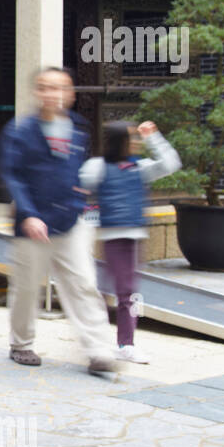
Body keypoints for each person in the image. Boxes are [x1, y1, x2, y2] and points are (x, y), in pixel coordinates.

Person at [0, 66, 118, 376]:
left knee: (84, 284)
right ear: (37, 93)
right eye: (45, 87)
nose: (52, 94)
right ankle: (21, 344)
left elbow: (79, 167)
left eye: (59, 88)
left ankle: (99, 350)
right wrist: (29, 213)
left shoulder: (79, 128)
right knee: (25, 288)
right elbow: (13, 176)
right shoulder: (20, 131)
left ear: (71, 94)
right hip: (32, 224)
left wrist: (82, 195)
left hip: (71, 219)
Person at [78, 120, 181, 364]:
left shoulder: (139, 167)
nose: (136, 142)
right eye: (131, 138)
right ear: (118, 141)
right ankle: (114, 343)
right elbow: (76, 185)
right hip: (112, 237)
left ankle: (122, 343)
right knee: (119, 292)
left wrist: (153, 136)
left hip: (134, 237)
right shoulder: (98, 167)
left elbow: (170, 164)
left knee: (125, 292)